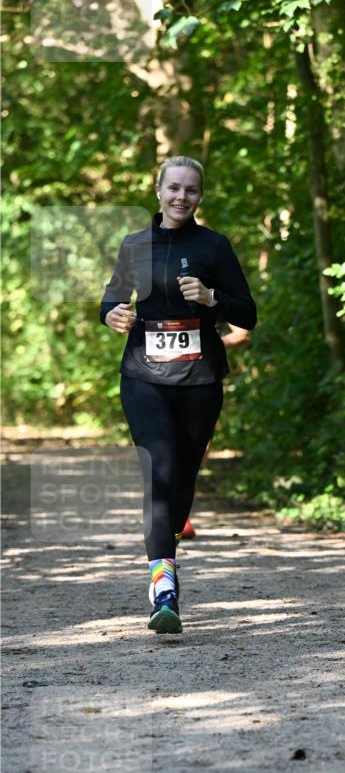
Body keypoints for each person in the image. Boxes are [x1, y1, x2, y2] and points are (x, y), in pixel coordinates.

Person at [100, 155, 257, 634]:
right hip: (143, 375)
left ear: (200, 197)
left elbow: (247, 314)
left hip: (199, 380)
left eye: (190, 191)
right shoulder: (134, 245)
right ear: (158, 190)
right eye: (173, 188)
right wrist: (113, 315)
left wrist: (213, 300)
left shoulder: (215, 247)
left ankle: (166, 546)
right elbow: (110, 299)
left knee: (184, 477)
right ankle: (163, 585)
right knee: (160, 467)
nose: (181, 197)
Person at [179, 321, 251, 539]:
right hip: (158, 376)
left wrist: (208, 343)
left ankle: (179, 510)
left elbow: (243, 334)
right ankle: (176, 517)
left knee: (197, 451)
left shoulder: (213, 291)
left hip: (203, 379)